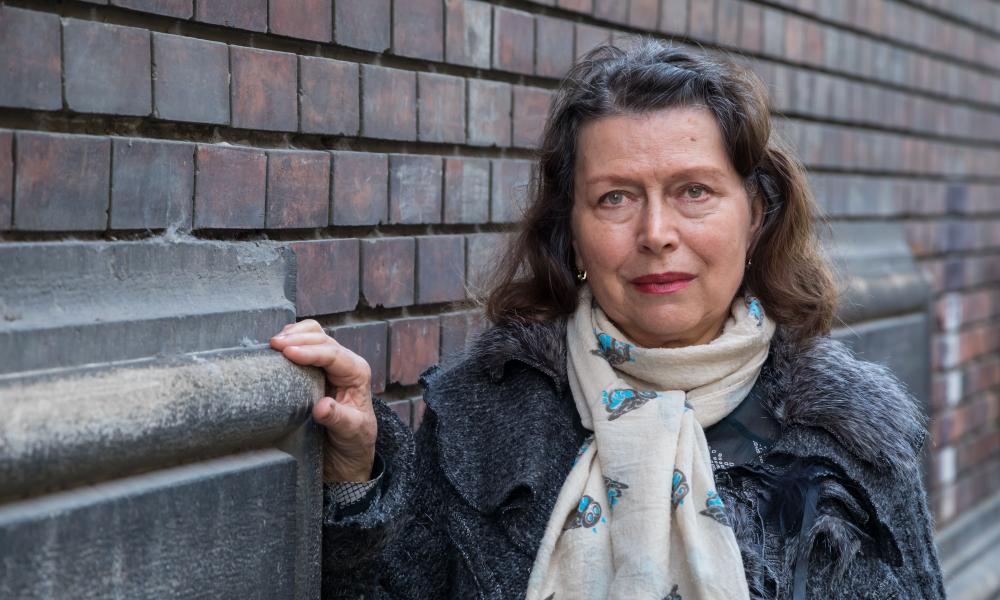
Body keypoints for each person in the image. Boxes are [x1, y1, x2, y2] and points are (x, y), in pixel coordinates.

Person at [270, 40, 945, 600]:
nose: (656, 233)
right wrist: (358, 476)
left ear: (755, 216)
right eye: (616, 197)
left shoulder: (852, 436)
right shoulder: (485, 415)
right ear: (571, 232)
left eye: (694, 191)